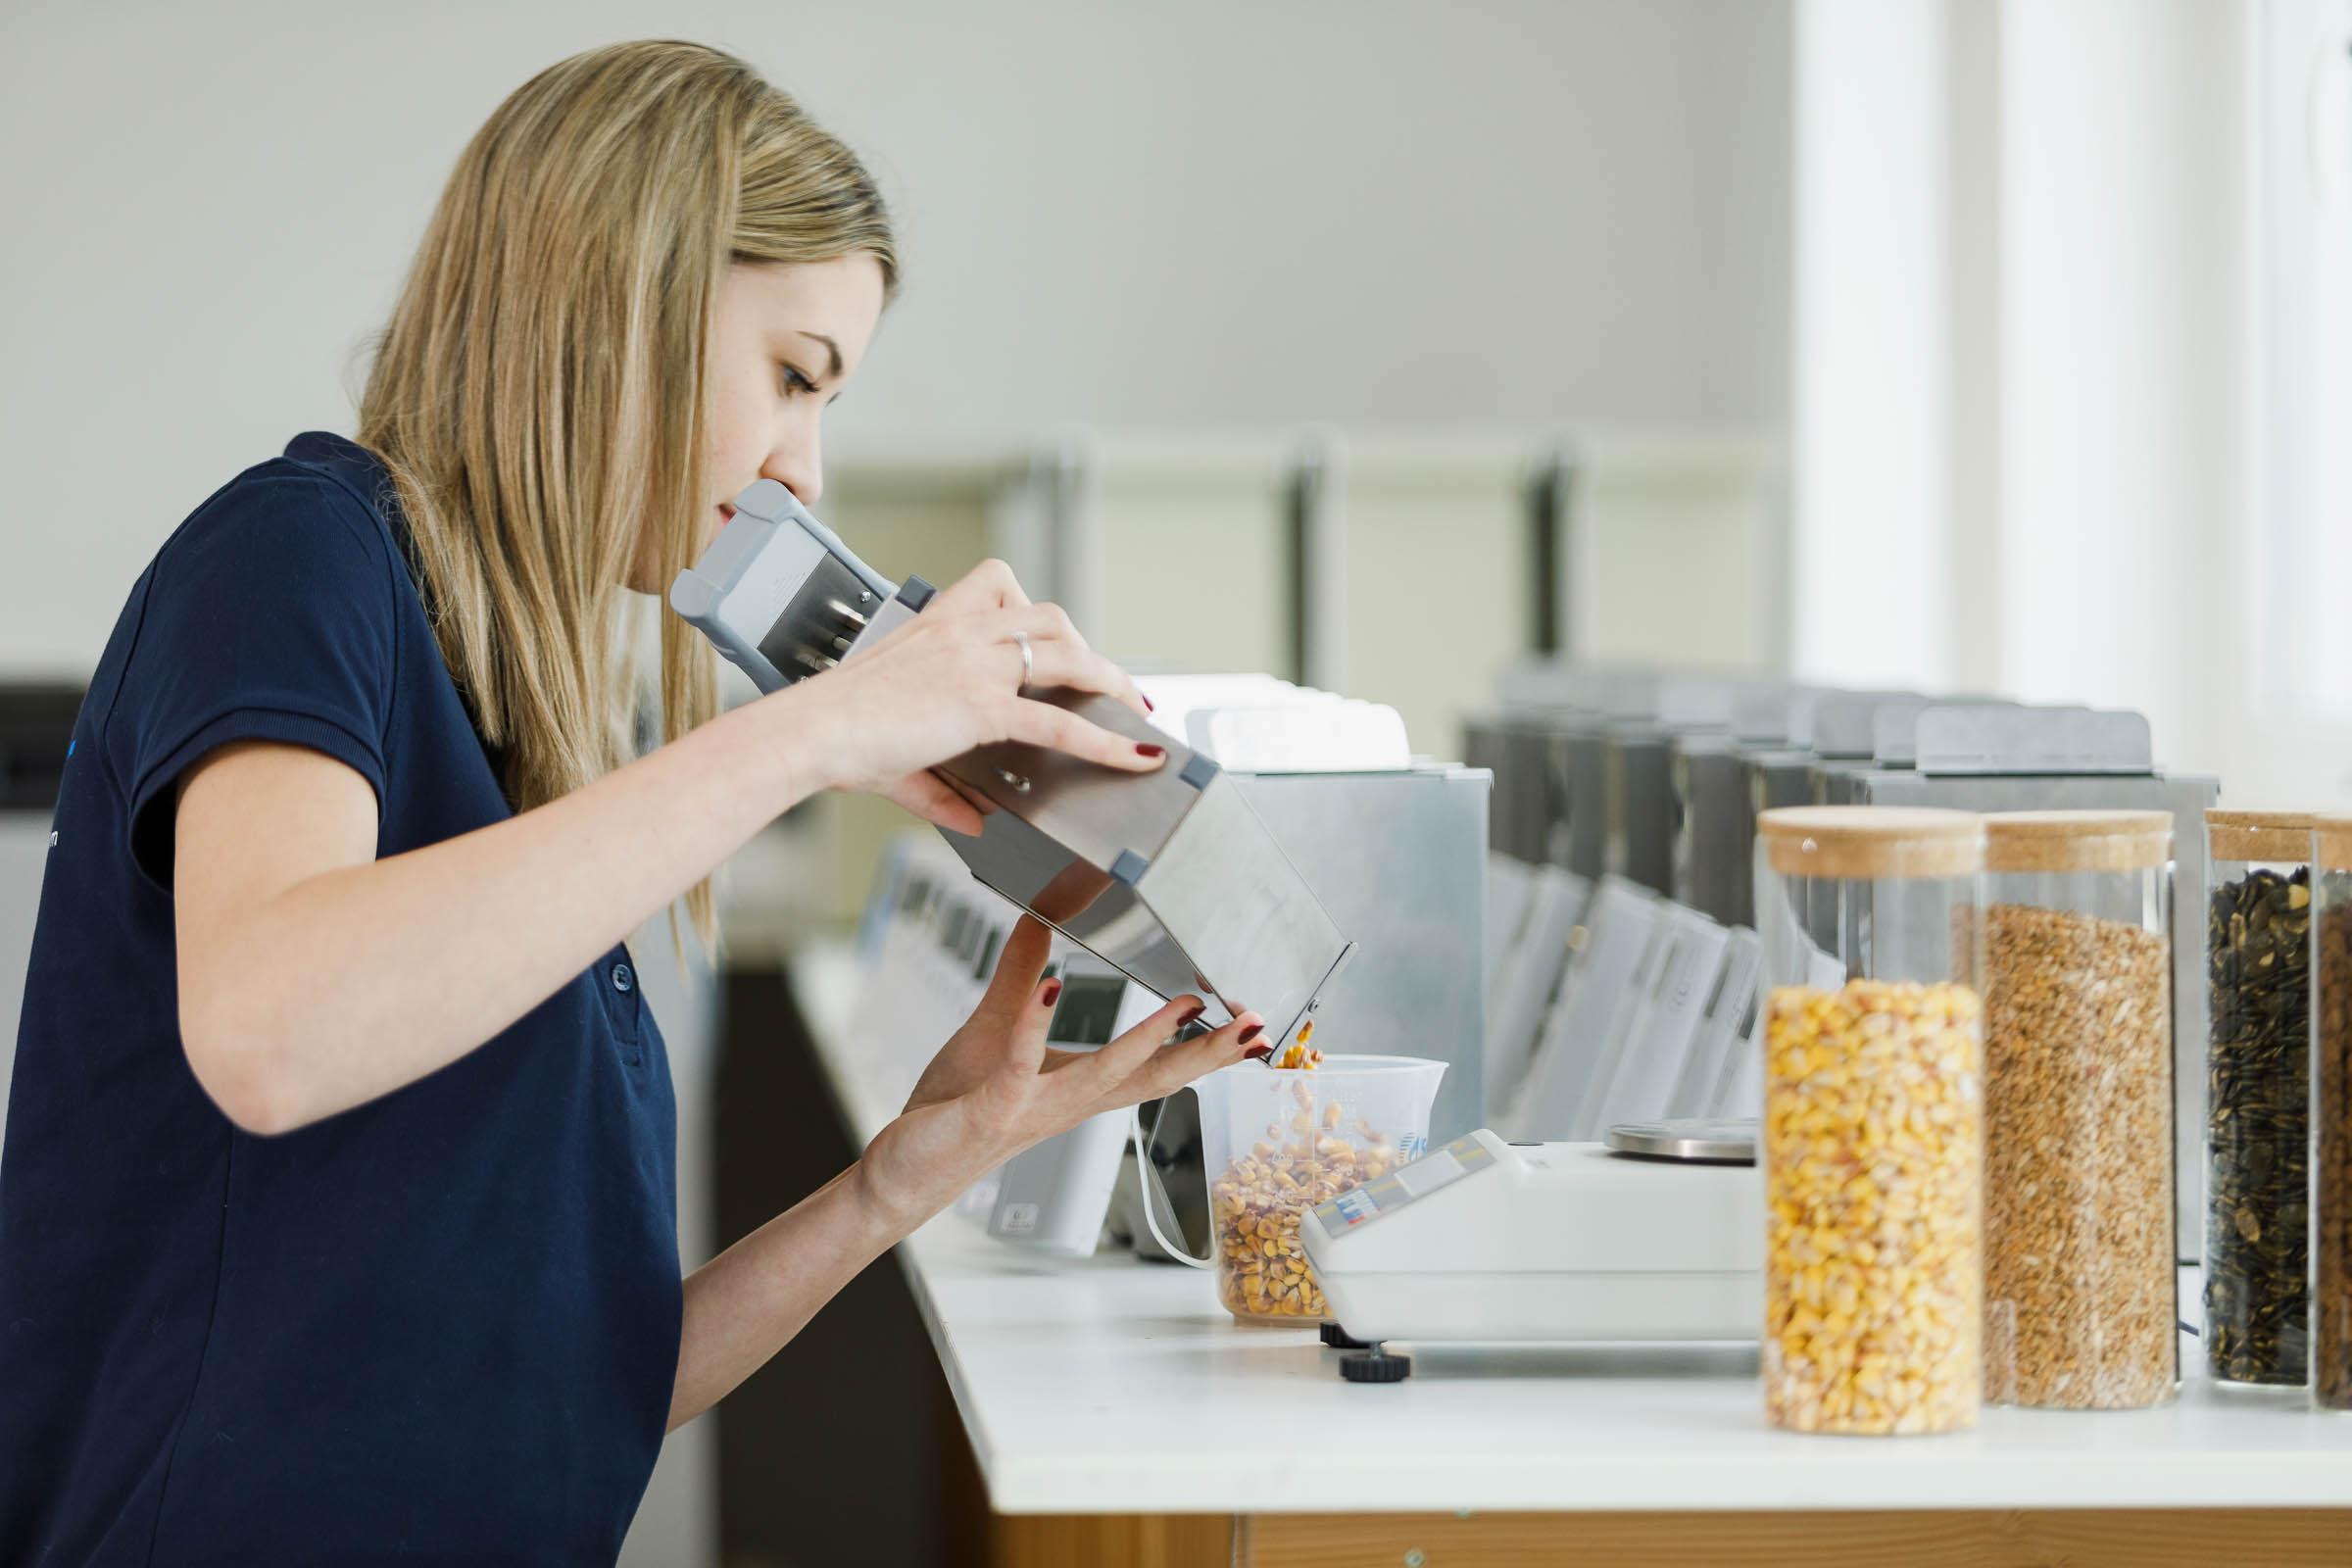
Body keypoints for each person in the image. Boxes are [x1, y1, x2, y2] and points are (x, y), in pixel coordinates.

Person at [0, 40, 1262, 1564]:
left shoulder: (524, 739)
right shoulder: (295, 558)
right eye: (794, 377)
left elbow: (579, 1385)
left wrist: (899, 1179)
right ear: (627, 293)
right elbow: (271, 1036)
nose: (805, 471)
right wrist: (813, 732)